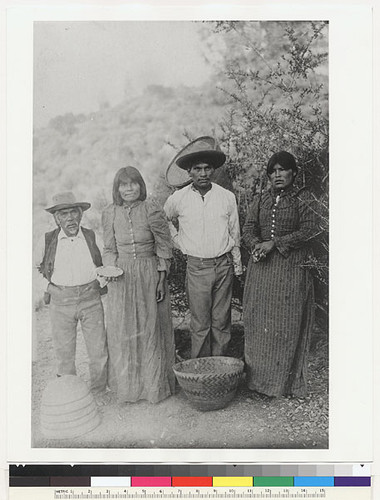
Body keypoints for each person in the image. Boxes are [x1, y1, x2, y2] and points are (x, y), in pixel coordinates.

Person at [242, 151, 318, 398]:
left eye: (282, 170)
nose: (277, 175)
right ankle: (259, 384)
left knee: (285, 325)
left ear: (293, 173)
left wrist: (275, 243)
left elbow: (310, 230)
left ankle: (283, 386)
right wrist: (255, 244)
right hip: (262, 272)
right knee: (259, 323)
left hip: (291, 271)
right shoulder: (261, 199)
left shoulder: (302, 198)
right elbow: (249, 228)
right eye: (273, 171)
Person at [102, 166, 175, 404]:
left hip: (148, 274)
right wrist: (111, 269)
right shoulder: (110, 213)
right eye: (123, 184)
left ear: (140, 185)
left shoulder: (151, 208)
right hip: (122, 277)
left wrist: (161, 279)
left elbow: (163, 247)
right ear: (117, 188)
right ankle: (130, 389)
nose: (128, 188)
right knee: (125, 329)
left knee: (151, 327)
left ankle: (153, 388)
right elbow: (110, 249)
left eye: (132, 183)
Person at [164, 137, 242, 359]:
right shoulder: (177, 199)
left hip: (224, 265)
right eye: (197, 169)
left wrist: (236, 266)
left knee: (221, 320)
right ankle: (201, 370)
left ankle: (220, 368)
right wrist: (179, 242)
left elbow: (234, 233)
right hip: (197, 267)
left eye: (208, 168)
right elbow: (164, 221)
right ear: (189, 172)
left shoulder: (227, 197)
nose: (203, 173)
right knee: (200, 323)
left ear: (214, 170)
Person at [35, 191, 109, 402]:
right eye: (64, 214)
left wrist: (99, 282)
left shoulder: (93, 236)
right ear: (56, 218)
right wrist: (49, 288)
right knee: (64, 352)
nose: (70, 218)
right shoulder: (47, 240)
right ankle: (70, 394)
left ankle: (99, 392)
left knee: (98, 348)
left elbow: (106, 264)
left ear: (80, 215)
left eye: (73, 213)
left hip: (90, 298)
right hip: (60, 300)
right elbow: (31, 268)